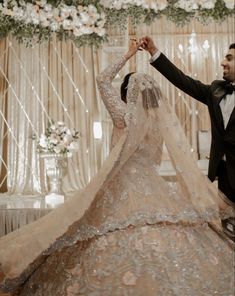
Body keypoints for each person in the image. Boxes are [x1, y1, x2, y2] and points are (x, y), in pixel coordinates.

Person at [0, 41, 234, 296]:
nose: (224, 62)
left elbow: (102, 80)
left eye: (229, 58)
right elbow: (154, 158)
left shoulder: (123, 116)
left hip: (122, 185)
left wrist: (128, 55)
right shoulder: (155, 125)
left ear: (126, 93)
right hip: (151, 186)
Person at [141, 36, 235, 204]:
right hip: (224, 176)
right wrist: (154, 52)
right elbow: (183, 81)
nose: (222, 62)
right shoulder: (216, 90)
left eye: (229, 58)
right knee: (227, 227)